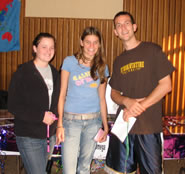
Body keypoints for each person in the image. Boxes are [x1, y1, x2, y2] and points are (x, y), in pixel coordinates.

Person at [105, 11, 175, 174]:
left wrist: (139, 106)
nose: (123, 27)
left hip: (148, 128)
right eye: (118, 25)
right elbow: (113, 93)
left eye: (127, 23)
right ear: (115, 32)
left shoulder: (153, 50)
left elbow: (166, 86)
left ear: (134, 27)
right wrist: (127, 101)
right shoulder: (119, 61)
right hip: (124, 127)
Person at [56, 26, 109, 174]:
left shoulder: (103, 67)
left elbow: (102, 99)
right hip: (71, 122)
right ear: (81, 42)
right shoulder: (69, 62)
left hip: (93, 122)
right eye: (88, 42)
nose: (91, 46)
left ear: (99, 45)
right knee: (69, 169)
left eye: (95, 42)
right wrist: (60, 124)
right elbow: (62, 94)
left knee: (85, 167)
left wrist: (105, 126)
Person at [8, 32, 60, 174]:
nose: (48, 51)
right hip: (29, 135)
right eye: (44, 47)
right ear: (35, 49)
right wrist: (40, 116)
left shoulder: (56, 74)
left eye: (52, 47)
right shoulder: (23, 72)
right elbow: (13, 104)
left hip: (50, 136)